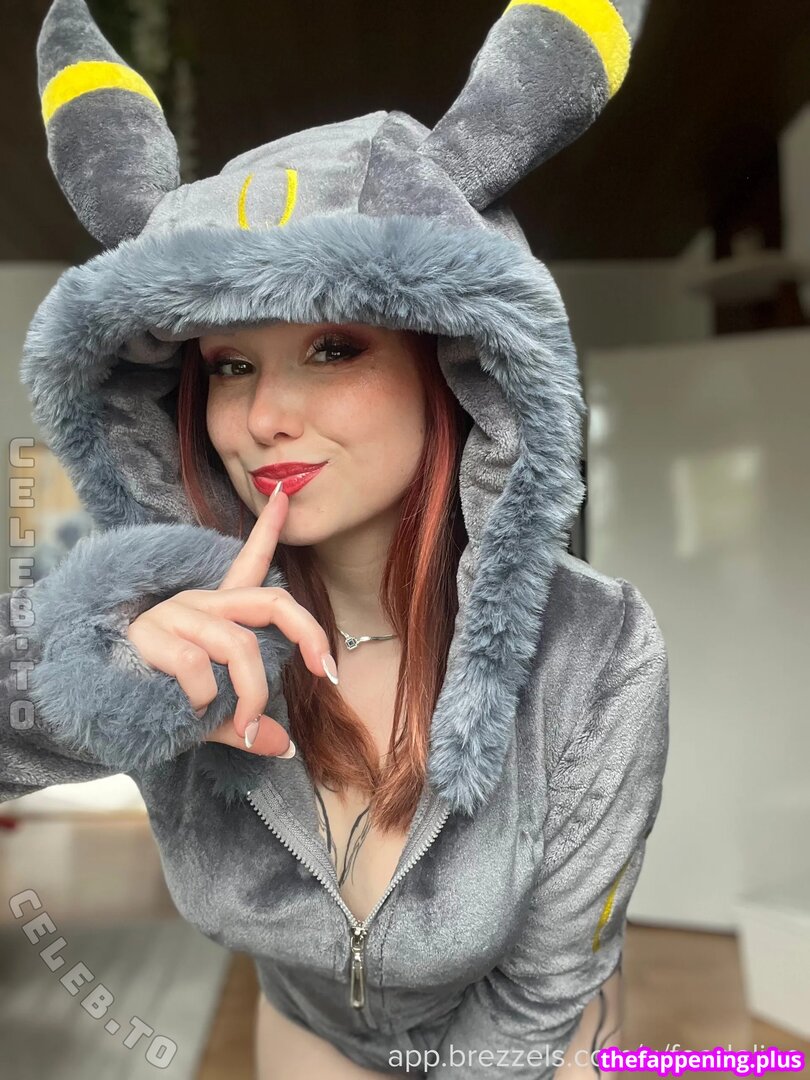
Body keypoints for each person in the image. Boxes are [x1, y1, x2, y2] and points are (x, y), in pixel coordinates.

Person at [2, 0, 670, 1077]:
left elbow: (543, 995)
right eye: (230, 364)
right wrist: (86, 669)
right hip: (305, 1037)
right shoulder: (169, 624)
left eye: (332, 347)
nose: (264, 416)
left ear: (453, 363)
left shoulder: (598, 651)